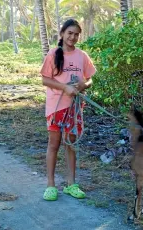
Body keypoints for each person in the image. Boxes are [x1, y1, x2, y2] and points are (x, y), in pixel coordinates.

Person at [40, 19, 96, 201]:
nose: (73, 37)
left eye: (76, 34)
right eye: (70, 33)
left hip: (74, 108)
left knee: (70, 145)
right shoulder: (53, 54)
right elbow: (45, 80)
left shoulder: (82, 55)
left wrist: (83, 85)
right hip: (56, 107)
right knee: (54, 144)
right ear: (62, 33)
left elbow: (90, 79)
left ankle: (71, 184)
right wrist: (65, 88)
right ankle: (50, 185)